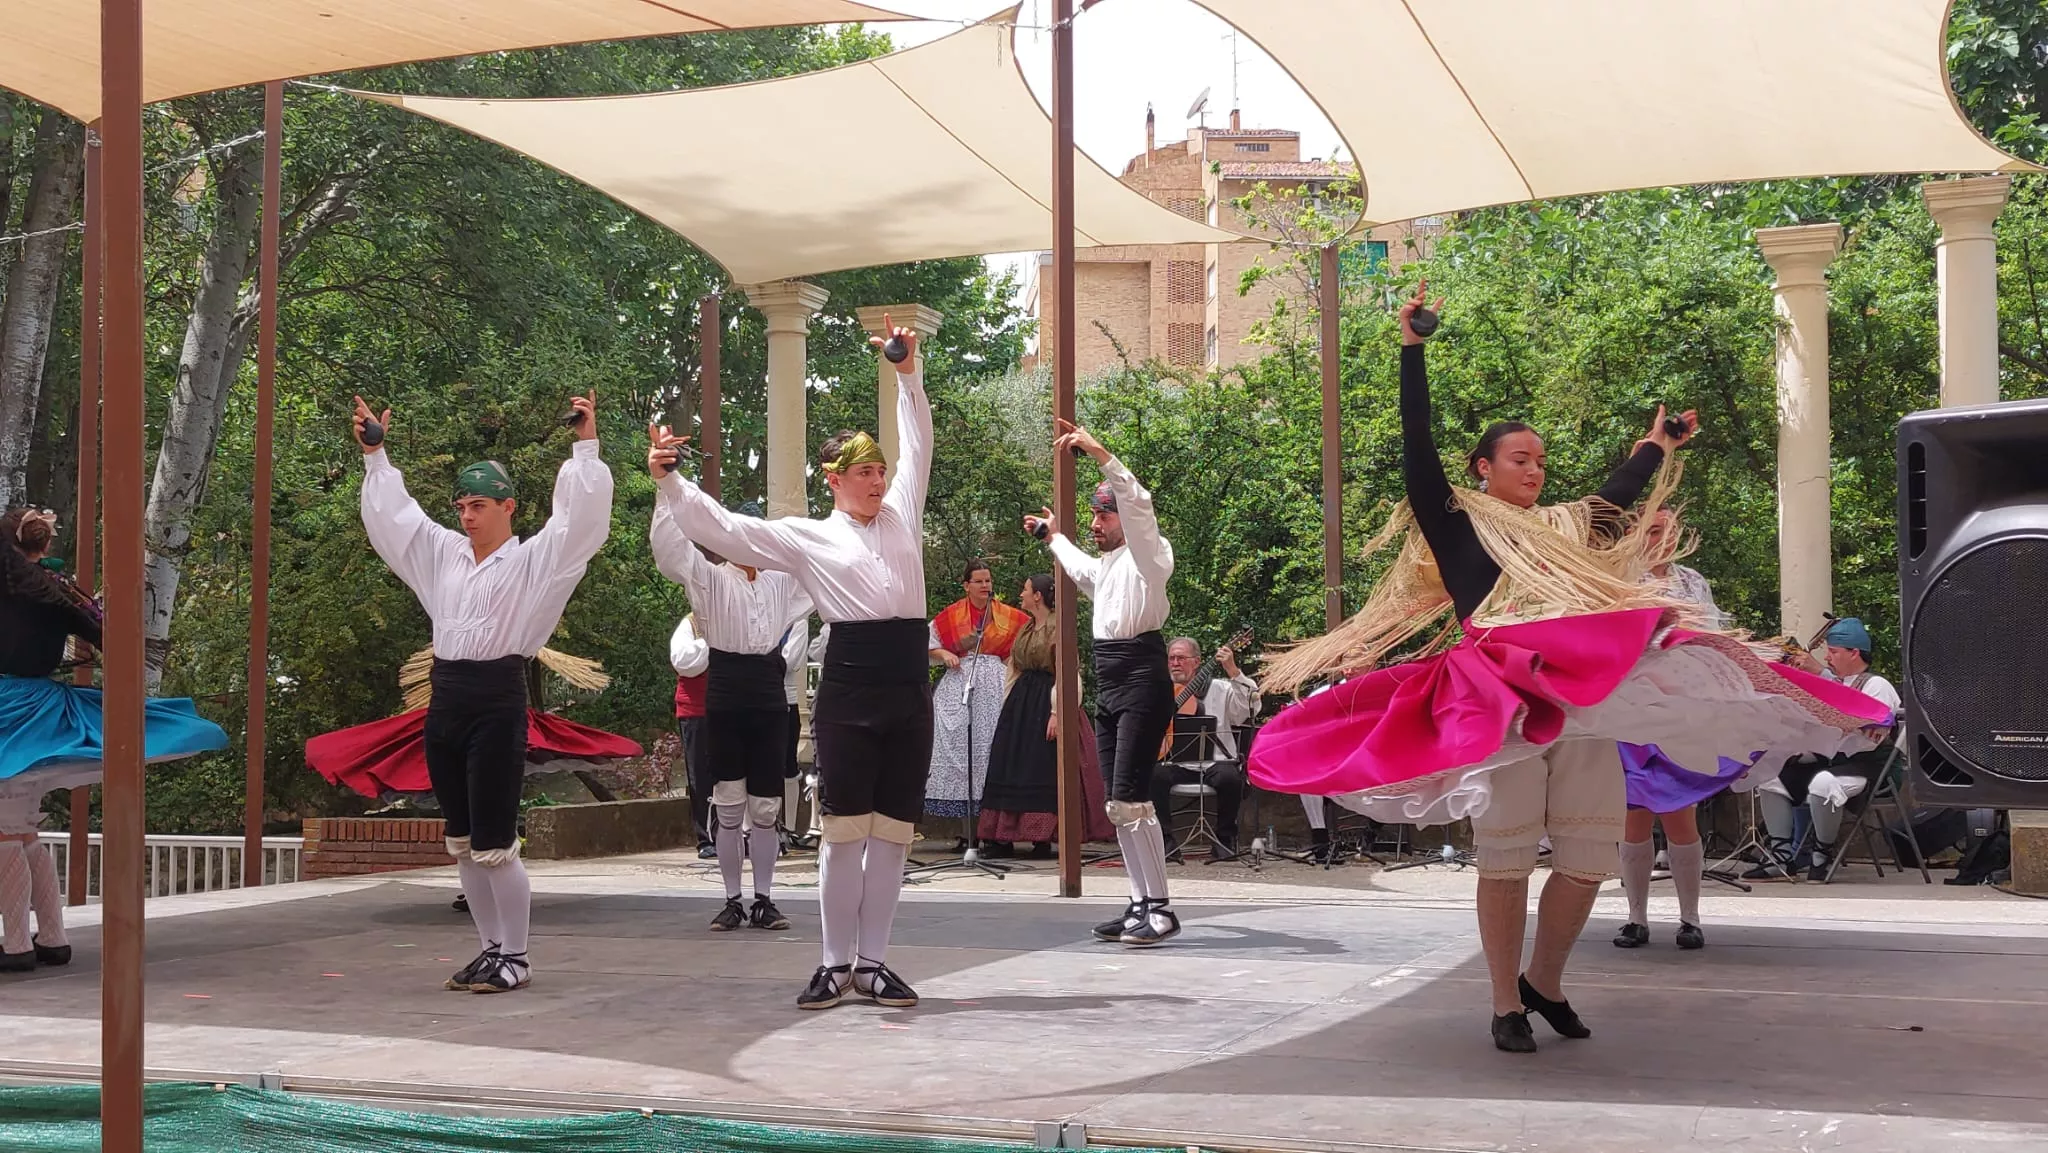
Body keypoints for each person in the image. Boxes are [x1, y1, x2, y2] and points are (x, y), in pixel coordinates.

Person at [1249, 283, 1892, 1053]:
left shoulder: (1563, 530)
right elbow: (1413, 448)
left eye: (1541, 459)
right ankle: (1502, 1003)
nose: (1534, 469)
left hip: (1586, 700)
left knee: (1589, 861)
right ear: (1482, 467)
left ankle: (1543, 981)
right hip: (1499, 703)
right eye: (1520, 457)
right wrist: (1411, 353)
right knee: (1508, 859)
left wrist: (1658, 443)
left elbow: (1618, 493)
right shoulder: (1458, 524)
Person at [648, 317, 931, 1011]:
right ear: (834, 478)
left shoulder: (901, 514)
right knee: (844, 828)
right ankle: (834, 963)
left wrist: (906, 371)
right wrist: (671, 481)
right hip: (851, 685)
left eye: (879, 469)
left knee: (893, 830)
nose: (878, 478)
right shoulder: (808, 537)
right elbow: (725, 529)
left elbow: (919, 440)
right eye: (864, 470)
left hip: (907, 684)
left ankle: (874, 961)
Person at [353, 390, 614, 995]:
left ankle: (516, 956)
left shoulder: (535, 561)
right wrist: (375, 454)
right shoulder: (442, 554)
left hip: (497, 698)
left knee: (496, 837)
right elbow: (398, 521)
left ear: (508, 508)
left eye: (478, 506)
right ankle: (489, 947)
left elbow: (580, 525)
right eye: (462, 506)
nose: (467, 516)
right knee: (462, 838)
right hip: (446, 700)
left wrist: (585, 445)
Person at [0, 507, 227, 972]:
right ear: (43, 546)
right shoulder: (57, 594)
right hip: (46, 710)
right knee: (22, 828)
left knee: (7, 832)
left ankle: (18, 945)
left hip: (6, 708)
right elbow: (114, 639)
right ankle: (54, 938)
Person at [1024, 419, 1179, 948]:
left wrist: (1099, 453)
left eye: (1102, 513)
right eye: (1093, 513)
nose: (1096, 521)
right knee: (1118, 804)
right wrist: (1054, 538)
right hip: (1112, 677)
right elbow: (1082, 572)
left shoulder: (1149, 556)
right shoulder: (1113, 566)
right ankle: (1141, 903)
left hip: (1140, 677)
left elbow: (1140, 504)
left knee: (1132, 800)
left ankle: (1160, 910)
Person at [651, 496, 814, 932]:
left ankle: (764, 899)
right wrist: (666, 493)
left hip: (767, 693)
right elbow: (671, 553)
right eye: (738, 534)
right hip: (724, 691)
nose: (748, 542)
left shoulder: (780, 582)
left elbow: (821, 570)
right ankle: (731, 899)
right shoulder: (709, 579)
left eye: (755, 535)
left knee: (764, 808)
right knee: (727, 805)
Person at [1614, 510, 1730, 951]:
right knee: (1634, 813)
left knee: (1681, 810)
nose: (1664, 538)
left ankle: (1690, 918)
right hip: (1633, 706)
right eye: (1655, 530)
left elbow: (1713, 634)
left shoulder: (1693, 581)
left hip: (1683, 707)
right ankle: (1635, 917)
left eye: (1670, 530)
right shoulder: (1621, 579)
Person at [1746, 617, 1902, 881]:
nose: (1828, 657)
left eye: (1834, 652)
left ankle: (1822, 854)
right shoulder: (1830, 684)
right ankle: (1782, 857)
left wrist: (1820, 674)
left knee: (1822, 782)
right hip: (1829, 762)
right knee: (1769, 776)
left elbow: (1871, 724)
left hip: (1870, 765)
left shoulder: (1876, 685)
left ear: (1854, 653)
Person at [976, 574, 1114, 855]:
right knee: (1012, 764)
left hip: (1046, 700)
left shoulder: (1057, 627)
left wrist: (1057, 713)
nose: (1022, 594)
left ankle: (1043, 838)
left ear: (1038, 595)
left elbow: (1068, 671)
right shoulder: (1026, 628)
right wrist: (1008, 706)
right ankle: (1004, 838)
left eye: (1025, 590)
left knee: (1043, 766)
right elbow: (1014, 667)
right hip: (1022, 705)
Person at [925, 561, 1028, 836]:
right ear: (966, 585)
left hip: (996, 685)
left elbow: (1025, 647)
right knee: (961, 752)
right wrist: (943, 654)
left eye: (988, 581)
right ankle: (965, 831)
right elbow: (927, 645)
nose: (985, 586)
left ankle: (993, 829)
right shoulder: (950, 616)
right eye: (979, 581)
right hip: (960, 685)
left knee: (994, 750)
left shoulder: (1008, 616)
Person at [1152, 636, 1258, 861]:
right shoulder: (1160, 691)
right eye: (1171, 658)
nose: (1175, 663)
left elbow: (1248, 709)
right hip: (1176, 761)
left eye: (1181, 658)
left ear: (1197, 661)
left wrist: (1233, 670)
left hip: (1215, 761)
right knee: (1153, 775)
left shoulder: (1221, 688)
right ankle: (1166, 842)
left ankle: (1224, 839)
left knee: (1230, 779)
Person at [670, 613, 716, 858]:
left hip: (727, 707)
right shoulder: (691, 624)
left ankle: (732, 834)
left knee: (729, 775)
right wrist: (710, 640)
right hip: (695, 710)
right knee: (700, 774)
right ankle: (706, 837)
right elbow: (684, 662)